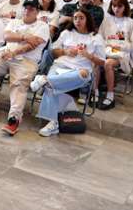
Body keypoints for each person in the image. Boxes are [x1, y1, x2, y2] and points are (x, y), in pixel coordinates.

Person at [0, 0, 50, 135]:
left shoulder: (42, 26)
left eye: (31, 9)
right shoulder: (15, 22)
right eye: (26, 8)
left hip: (26, 60)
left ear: (37, 12)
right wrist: (24, 36)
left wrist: (15, 50)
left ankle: (14, 118)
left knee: (19, 83)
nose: (27, 11)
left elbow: (33, 45)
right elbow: (6, 36)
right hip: (5, 54)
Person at [31, 8, 106, 137]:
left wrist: (89, 56)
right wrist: (65, 52)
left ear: (87, 19)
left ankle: (43, 80)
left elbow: (102, 62)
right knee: (51, 86)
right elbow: (53, 51)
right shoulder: (66, 33)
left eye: (81, 18)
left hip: (80, 70)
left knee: (81, 74)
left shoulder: (96, 37)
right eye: (75, 18)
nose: (77, 21)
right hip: (61, 65)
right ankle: (53, 123)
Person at [99, 0, 133, 110]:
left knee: (108, 63)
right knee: (92, 59)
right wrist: (107, 45)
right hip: (106, 49)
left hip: (122, 52)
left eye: (119, 6)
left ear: (125, 7)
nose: (116, 9)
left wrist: (118, 47)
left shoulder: (132, 23)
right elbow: (100, 37)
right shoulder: (106, 20)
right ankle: (94, 92)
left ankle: (110, 95)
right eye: (114, 6)